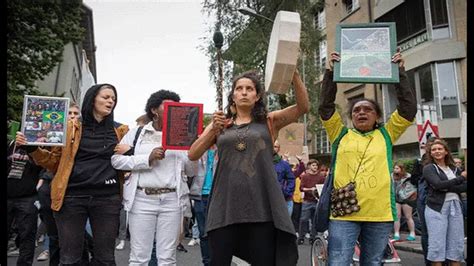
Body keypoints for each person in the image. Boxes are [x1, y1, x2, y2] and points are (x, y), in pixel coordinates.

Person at [188, 69, 308, 265]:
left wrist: (293, 74)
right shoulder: (220, 123)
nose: (244, 92)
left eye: (249, 89)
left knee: (262, 261)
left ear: (257, 96)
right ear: (233, 95)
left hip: (260, 207)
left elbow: (303, 107)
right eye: (239, 88)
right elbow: (193, 154)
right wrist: (212, 130)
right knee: (218, 261)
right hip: (224, 206)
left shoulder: (269, 121)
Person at [319, 50, 416, 265]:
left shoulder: (387, 133)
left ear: (378, 116)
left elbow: (408, 109)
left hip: (379, 216)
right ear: (351, 117)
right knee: (338, 262)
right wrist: (330, 73)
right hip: (344, 214)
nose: (361, 113)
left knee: (373, 263)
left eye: (367, 110)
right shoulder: (340, 133)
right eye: (356, 111)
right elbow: (325, 108)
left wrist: (400, 73)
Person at [16, 84, 129, 265]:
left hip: (108, 199)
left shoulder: (121, 131)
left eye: (113, 99)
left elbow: (128, 165)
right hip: (71, 198)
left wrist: (130, 152)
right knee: (70, 259)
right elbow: (54, 162)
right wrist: (32, 149)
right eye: (106, 97)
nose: (111, 101)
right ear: (92, 99)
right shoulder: (70, 127)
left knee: (106, 259)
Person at [111, 90, 195, 265]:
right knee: (139, 257)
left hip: (172, 200)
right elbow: (116, 161)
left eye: (177, 107)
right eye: (168, 105)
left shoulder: (184, 136)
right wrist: (146, 158)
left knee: (167, 258)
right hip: (142, 199)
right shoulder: (137, 133)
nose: (174, 109)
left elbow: (192, 170)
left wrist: (193, 151)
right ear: (154, 110)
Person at [423, 138, 467, 265]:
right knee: (437, 245)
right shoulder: (429, 168)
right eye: (434, 150)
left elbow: (464, 187)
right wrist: (460, 179)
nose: (437, 151)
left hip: (456, 207)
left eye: (440, 149)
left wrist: (447, 185)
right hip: (436, 208)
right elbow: (437, 185)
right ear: (430, 153)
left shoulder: (454, 169)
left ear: (446, 151)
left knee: (456, 244)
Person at [7, 138, 43, 265]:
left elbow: (44, 166)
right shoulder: (11, 144)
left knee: (27, 235)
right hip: (9, 193)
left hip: (28, 196)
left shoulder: (39, 145)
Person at [298, 159, 325, 245]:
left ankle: (313, 237)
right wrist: (310, 189)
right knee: (303, 219)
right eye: (313, 165)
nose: (315, 167)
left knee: (315, 220)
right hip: (307, 201)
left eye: (316, 165)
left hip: (317, 200)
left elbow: (323, 187)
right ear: (309, 166)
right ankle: (301, 237)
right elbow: (301, 188)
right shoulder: (305, 176)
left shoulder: (321, 176)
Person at [392, 162, 416, 241]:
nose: (395, 170)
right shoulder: (392, 176)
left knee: (408, 216)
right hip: (396, 198)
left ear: (401, 169)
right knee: (397, 216)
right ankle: (396, 233)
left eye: (397, 168)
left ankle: (412, 233)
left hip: (406, 198)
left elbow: (412, 187)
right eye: (394, 168)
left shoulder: (408, 176)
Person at [273, 141, 296, 215]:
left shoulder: (284, 164)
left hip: (284, 199)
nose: (273, 148)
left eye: (275, 146)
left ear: (279, 149)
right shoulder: (262, 163)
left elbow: (291, 179)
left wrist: (286, 192)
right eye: (271, 146)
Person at [291, 156, 306, 234]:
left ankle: (302, 231)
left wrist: (301, 161)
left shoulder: (305, 178)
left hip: (303, 200)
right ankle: (295, 230)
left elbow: (301, 169)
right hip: (295, 200)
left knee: (302, 217)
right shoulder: (294, 179)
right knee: (295, 216)